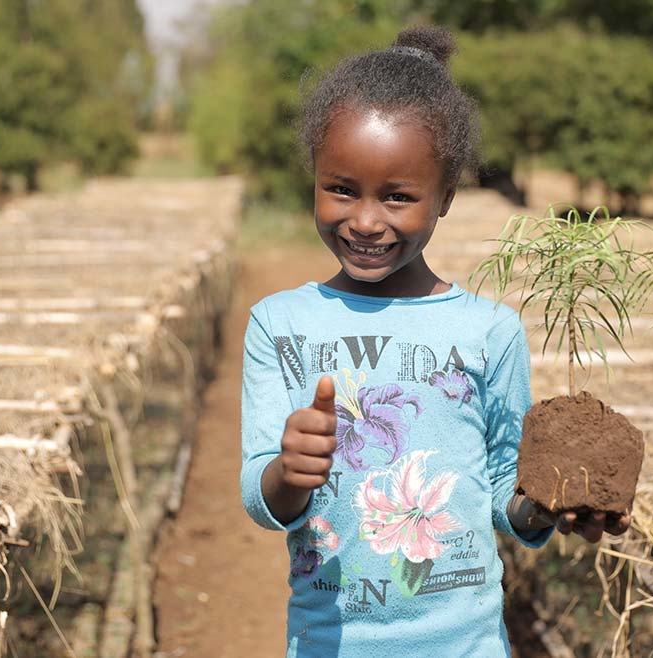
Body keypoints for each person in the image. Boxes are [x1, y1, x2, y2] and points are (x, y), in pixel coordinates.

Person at [240, 25, 629, 657]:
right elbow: (260, 494)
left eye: (398, 197)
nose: (366, 221)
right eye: (341, 188)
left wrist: (552, 503)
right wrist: (289, 471)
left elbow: (509, 489)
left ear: (444, 197)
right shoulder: (279, 324)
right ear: (313, 176)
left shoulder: (489, 331)